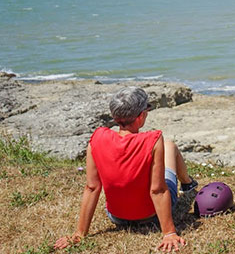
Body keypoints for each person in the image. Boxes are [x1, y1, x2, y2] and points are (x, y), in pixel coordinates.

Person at [54, 87, 197, 252]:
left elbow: (92, 187)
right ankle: (187, 183)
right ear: (141, 116)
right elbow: (157, 190)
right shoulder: (153, 139)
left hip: (116, 217)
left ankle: (188, 183)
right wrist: (169, 233)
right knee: (170, 147)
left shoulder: (97, 137)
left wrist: (79, 233)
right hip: (151, 216)